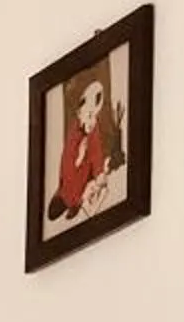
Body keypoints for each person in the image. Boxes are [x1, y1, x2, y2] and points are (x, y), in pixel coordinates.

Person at [49, 61, 126, 222]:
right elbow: (83, 156)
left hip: (84, 143)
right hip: (86, 146)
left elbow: (77, 155)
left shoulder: (73, 197)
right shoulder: (70, 193)